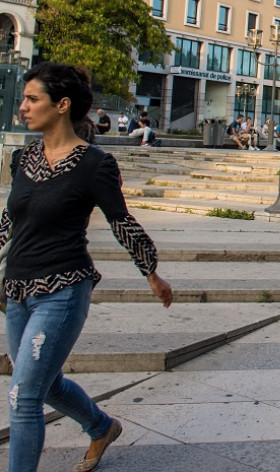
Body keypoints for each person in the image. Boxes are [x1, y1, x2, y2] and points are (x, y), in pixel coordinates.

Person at [2, 62, 173, 472]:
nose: (23, 106)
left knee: (24, 395)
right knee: (46, 384)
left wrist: (151, 272)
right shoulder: (22, 158)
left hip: (62, 291)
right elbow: (12, 219)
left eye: (32, 99)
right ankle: (100, 427)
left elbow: (121, 221)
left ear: (61, 105)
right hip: (16, 291)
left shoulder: (94, 164)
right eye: (24, 98)